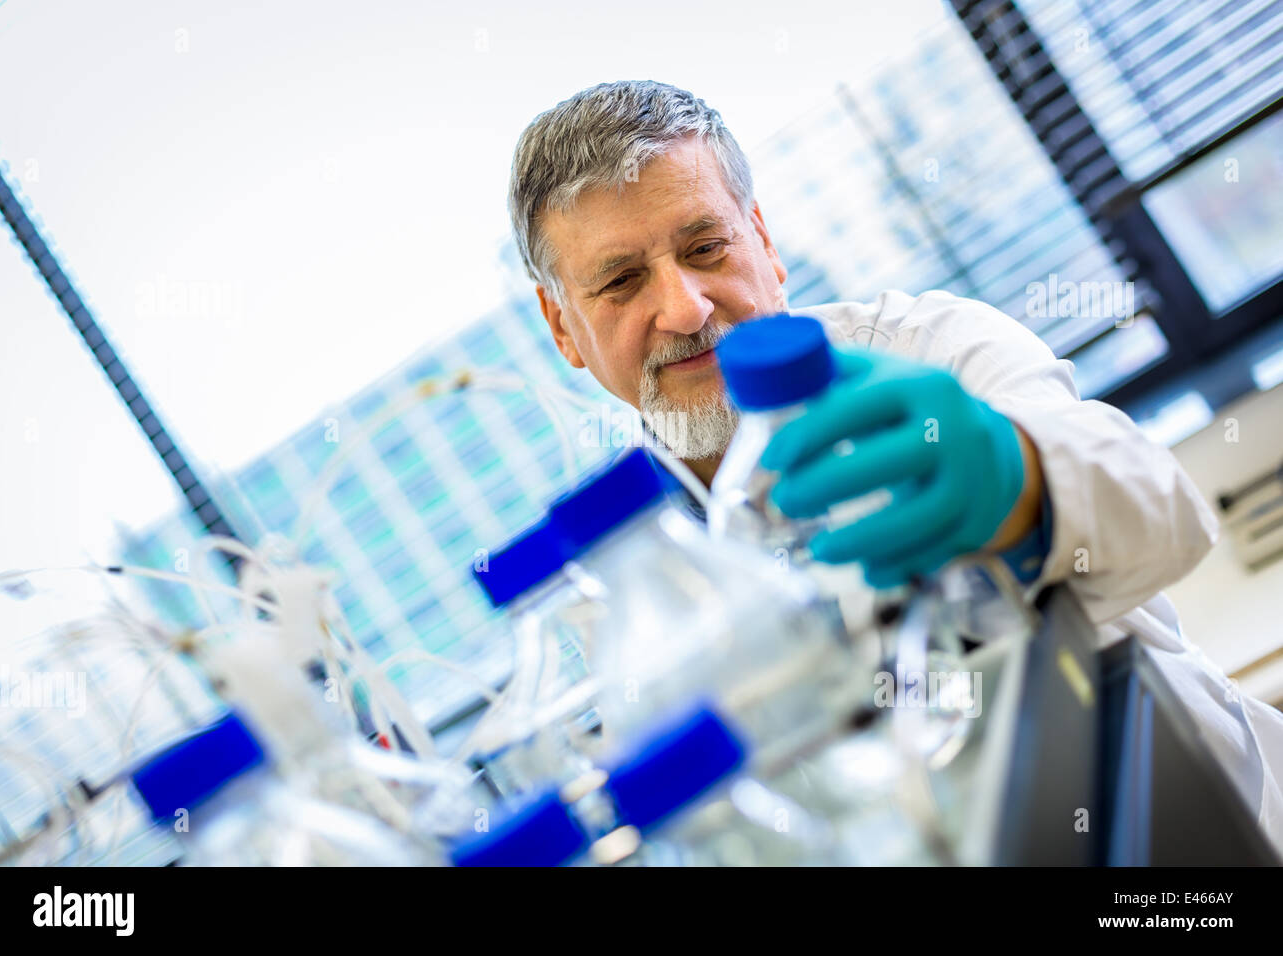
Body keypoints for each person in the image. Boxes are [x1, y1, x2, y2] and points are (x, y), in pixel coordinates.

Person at [507, 79, 1283, 853]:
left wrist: (1019, 478)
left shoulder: (928, 350)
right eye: (621, 281)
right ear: (563, 328)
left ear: (764, 244)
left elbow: (1166, 514)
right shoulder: (612, 582)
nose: (685, 309)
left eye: (705, 247)